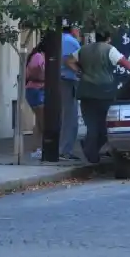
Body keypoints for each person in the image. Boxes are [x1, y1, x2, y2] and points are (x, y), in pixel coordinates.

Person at [76, 31, 130, 164]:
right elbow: (126, 64)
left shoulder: (83, 49)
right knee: (105, 126)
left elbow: (69, 60)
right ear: (108, 38)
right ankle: (90, 150)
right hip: (105, 92)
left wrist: (78, 71)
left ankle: (90, 151)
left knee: (91, 125)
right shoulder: (109, 49)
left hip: (86, 91)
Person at [58, 23, 83, 160]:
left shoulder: (59, 39)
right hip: (67, 81)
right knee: (70, 118)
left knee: (62, 117)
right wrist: (80, 72)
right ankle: (65, 150)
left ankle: (61, 149)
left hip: (58, 80)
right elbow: (68, 60)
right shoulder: (70, 41)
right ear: (73, 29)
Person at [24, 38, 48, 160]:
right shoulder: (39, 56)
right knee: (43, 122)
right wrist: (44, 77)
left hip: (36, 90)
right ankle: (39, 148)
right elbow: (35, 71)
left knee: (39, 122)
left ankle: (37, 148)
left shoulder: (37, 55)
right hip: (36, 90)